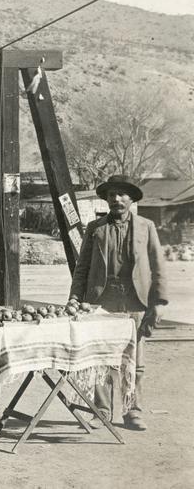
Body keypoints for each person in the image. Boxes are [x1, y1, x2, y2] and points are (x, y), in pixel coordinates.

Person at [69, 174, 167, 431]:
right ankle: (100, 410)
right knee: (101, 360)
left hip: (135, 302)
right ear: (106, 198)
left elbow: (158, 266)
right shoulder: (95, 229)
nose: (116, 199)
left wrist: (158, 303)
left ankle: (133, 410)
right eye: (112, 194)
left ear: (132, 198)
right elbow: (82, 268)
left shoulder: (146, 226)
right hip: (102, 302)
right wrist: (75, 298)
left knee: (136, 360)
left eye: (122, 194)